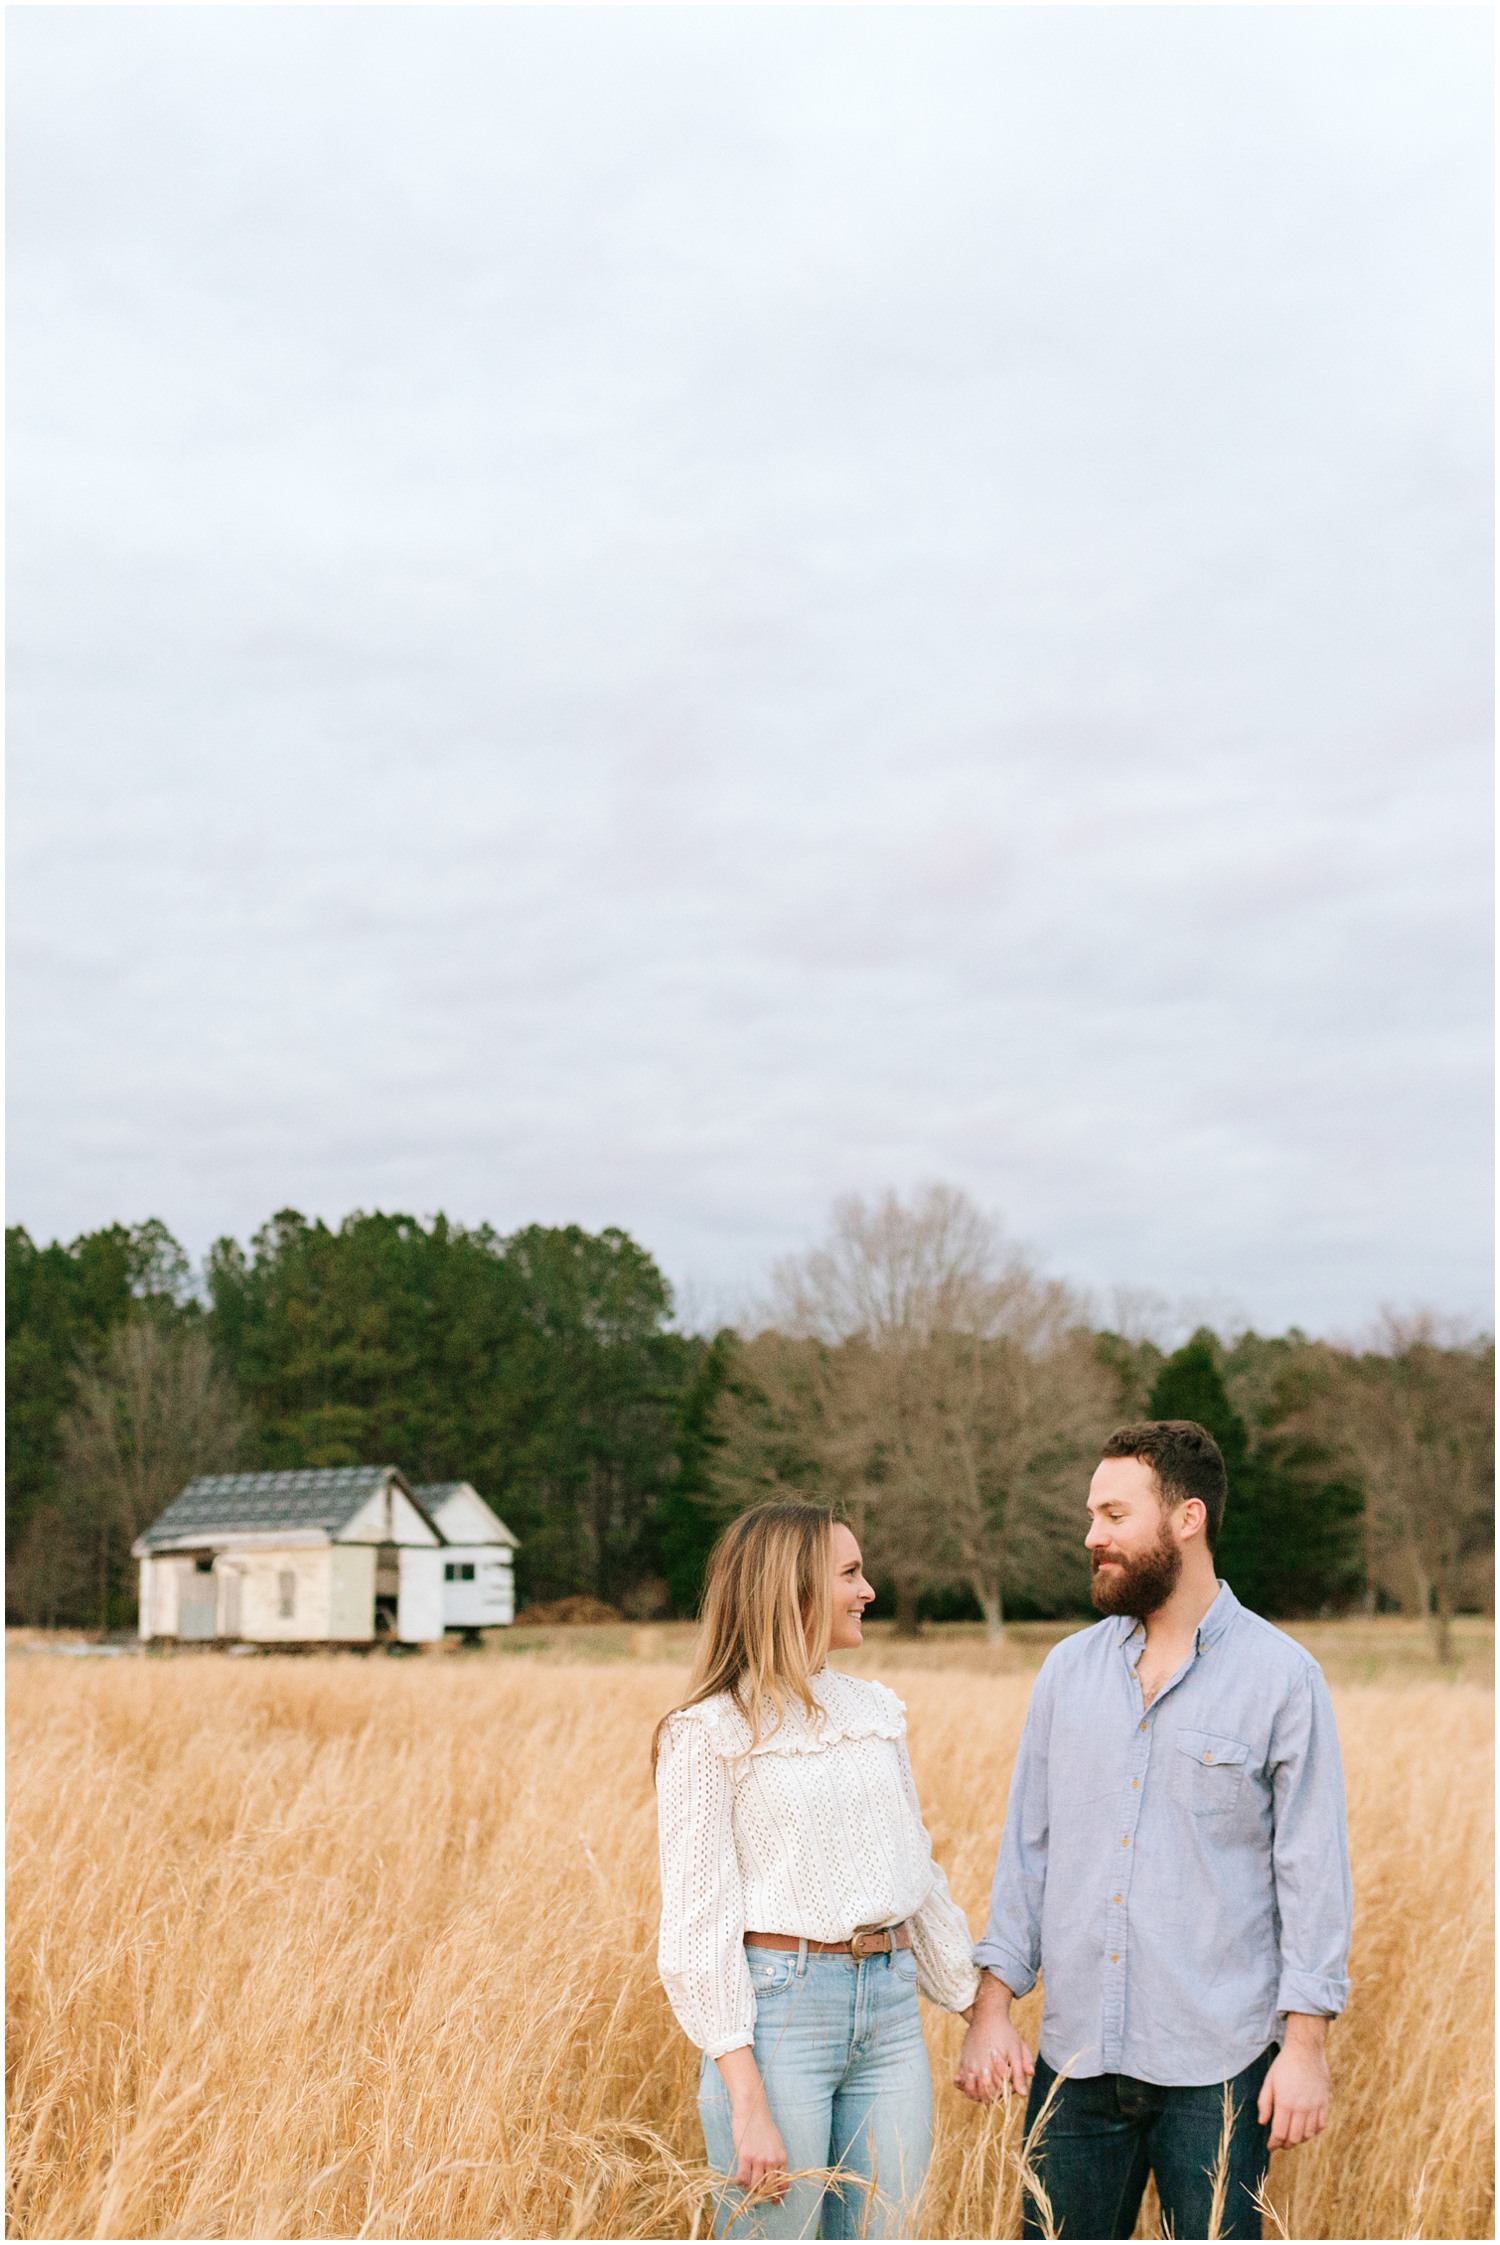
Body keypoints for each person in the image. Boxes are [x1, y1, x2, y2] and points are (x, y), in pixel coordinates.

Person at [956, 1419, 1353, 2242]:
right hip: (1075, 2062)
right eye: (1092, 1516)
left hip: (1218, 2066)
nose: (1090, 1536)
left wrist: (1306, 2045)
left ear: (1187, 1517)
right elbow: (1027, 1851)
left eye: (1113, 1514)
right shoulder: (1067, 1670)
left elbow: (1311, 1871)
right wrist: (991, 2007)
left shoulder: (1283, 1678)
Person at [654, 1501, 979, 2240]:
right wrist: (746, 2098)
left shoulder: (873, 1710)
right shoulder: (709, 1731)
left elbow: (913, 1871)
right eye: (851, 1573)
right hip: (779, 2022)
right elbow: (698, 1925)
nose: (868, 1590)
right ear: (791, 1587)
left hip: (892, 2018)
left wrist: (973, 2004)